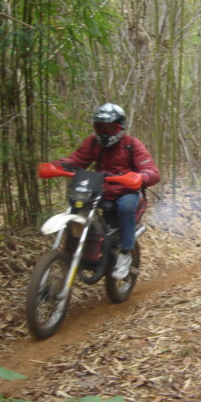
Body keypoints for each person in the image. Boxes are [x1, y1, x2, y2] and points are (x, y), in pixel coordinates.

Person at [52, 103, 160, 279]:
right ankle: (74, 252)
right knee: (77, 207)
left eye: (109, 127)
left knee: (126, 208)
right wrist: (58, 165)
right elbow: (77, 159)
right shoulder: (92, 143)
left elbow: (151, 170)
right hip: (98, 188)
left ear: (120, 127)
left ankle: (125, 253)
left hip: (125, 190)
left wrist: (142, 177)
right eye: (100, 127)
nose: (104, 132)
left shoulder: (131, 144)